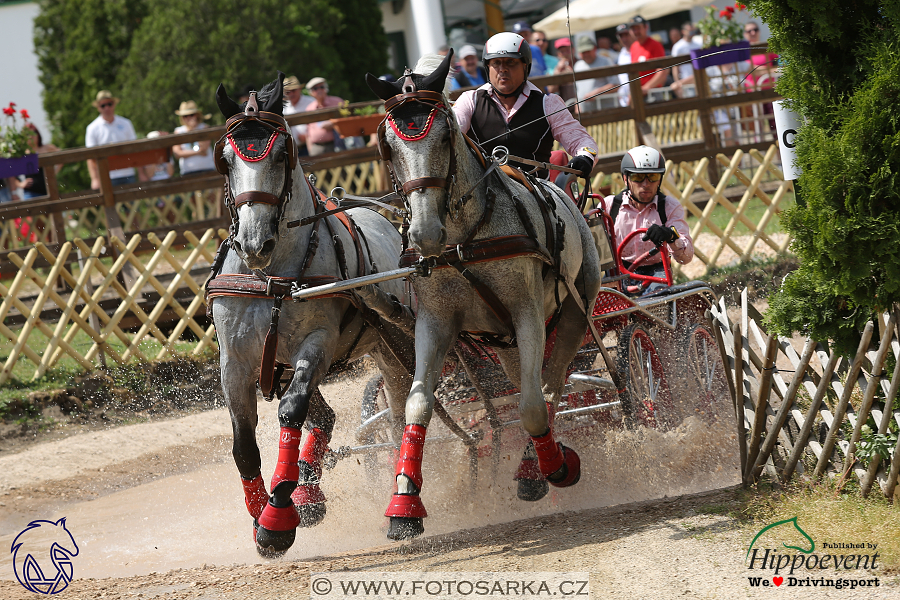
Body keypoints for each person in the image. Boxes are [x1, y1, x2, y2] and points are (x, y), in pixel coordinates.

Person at [453, 32, 599, 182]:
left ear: (525, 66)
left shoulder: (548, 103)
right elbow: (450, 134)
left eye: (510, 62)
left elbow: (582, 141)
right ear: (487, 67)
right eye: (496, 63)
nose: (502, 69)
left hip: (538, 195)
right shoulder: (469, 100)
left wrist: (585, 156)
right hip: (480, 193)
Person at [604, 145, 693, 295]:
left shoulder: (669, 207)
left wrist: (671, 236)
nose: (646, 184)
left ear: (660, 180)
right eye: (638, 177)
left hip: (656, 272)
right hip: (617, 272)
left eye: (652, 177)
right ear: (626, 179)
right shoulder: (609, 206)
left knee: (657, 307)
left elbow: (686, 258)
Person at [85, 90, 138, 189]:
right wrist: (95, 179)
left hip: (128, 173)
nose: (107, 108)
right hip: (106, 176)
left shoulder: (126, 123)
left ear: (114, 104)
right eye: (103, 105)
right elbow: (90, 157)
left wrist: (141, 173)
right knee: (110, 204)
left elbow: (135, 149)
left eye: (109, 104)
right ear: (98, 107)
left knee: (132, 204)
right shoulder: (92, 128)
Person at [573, 37, 618, 112]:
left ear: (595, 49)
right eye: (583, 52)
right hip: (586, 114)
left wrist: (596, 93)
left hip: (607, 112)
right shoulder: (577, 66)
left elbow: (615, 85)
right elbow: (577, 91)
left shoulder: (606, 61)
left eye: (588, 51)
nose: (586, 54)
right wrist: (577, 108)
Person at [171, 101, 216, 175]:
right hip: (187, 172)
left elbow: (204, 148)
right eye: (185, 116)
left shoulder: (204, 127)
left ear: (197, 115)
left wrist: (193, 130)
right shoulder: (178, 131)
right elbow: (177, 154)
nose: (188, 118)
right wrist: (198, 152)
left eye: (191, 115)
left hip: (208, 169)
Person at [19, 124, 61, 199]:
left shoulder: (47, 148)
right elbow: (9, 170)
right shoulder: (22, 153)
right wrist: (20, 184)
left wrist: (54, 172)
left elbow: (62, 157)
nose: (32, 136)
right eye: (28, 134)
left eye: (34, 133)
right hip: (31, 192)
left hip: (49, 189)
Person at [304, 77, 344, 156]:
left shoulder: (337, 102)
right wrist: (310, 149)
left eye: (321, 87)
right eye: (315, 88)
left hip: (336, 145)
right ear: (311, 93)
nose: (319, 90)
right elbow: (307, 133)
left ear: (326, 88)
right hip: (316, 148)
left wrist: (334, 123)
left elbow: (348, 119)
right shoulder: (309, 108)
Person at [628, 16, 668, 95]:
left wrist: (646, 87)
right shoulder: (633, 47)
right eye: (633, 29)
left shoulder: (655, 45)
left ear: (646, 27)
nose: (636, 32)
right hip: (638, 93)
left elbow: (662, 71)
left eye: (638, 28)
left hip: (653, 91)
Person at [282, 75, 315, 156]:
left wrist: (309, 136)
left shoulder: (311, 102)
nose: (291, 93)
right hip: (291, 150)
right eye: (288, 92)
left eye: (293, 90)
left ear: (299, 89)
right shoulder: (283, 107)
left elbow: (319, 124)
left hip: (310, 147)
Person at [669, 22, 700, 98]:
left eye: (694, 31)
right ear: (683, 31)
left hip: (698, 80)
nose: (692, 33)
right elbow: (675, 66)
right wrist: (678, 82)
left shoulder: (698, 44)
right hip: (686, 82)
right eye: (690, 31)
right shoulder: (678, 47)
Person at [546, 37, 576, 105]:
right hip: (567, 107)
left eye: (568, 50)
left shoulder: (581, 63)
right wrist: (558, 71)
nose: (565, 53)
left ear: (573, 50)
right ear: (558, 54)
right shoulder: (555, 69)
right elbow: (551, 90)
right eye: (562, 51)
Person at [615, 24, 635, 107]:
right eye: (621, 36)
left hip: (639, 96)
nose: (624, 39)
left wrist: (632, 94)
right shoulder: (620, 55)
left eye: (626, 35)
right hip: (624, 101)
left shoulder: (638, 50)